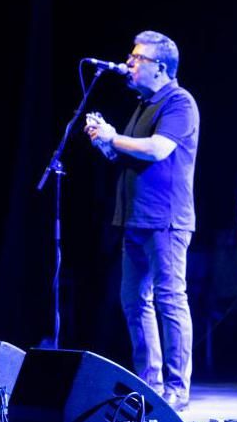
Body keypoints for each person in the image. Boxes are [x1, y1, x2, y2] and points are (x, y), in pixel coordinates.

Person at [85, 30, 199, 411]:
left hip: (166, 220)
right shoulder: (142, 105)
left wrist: (114, 137)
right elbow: (127, 157)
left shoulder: (179, 102)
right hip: (134, 219)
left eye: (137, 58)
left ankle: (177, 390)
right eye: (131, 57)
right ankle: (149, 385)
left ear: (161, 67)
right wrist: (104, 141)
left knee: (169, 300)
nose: (129, 64)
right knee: (133, 301)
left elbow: (158, 149)